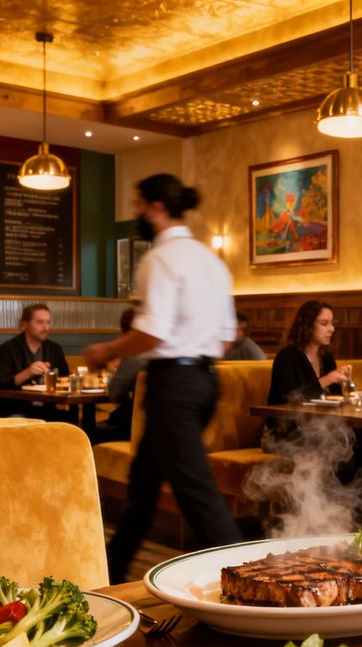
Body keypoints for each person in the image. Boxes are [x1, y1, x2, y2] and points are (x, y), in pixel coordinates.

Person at [85, 173, 242, 583]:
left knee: (197, 493)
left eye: (138, 205)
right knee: (142, 491)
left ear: (155, 207)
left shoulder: (160, 259)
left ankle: (249, 579)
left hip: (173, 387)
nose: (137, 213)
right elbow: (226, 340)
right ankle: (110, 572)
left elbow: (152, 331)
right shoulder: (211, 260)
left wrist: (107, 350)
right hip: (205, 382)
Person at [0, 303, 71, 421]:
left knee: (70, 421)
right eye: (40, 322)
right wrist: (27, 373)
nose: (46, 328)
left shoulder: (55, 349)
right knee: (18, 422)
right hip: (14, 408)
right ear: (25, 324)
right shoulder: (7, 349)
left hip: (47, 409)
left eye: (48, 322)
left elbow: (66, 379)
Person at [267, 301, 351, 405]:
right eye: (324, 323)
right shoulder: (287, 356)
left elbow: (335, 398)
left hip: (321, 419)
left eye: (332, 323)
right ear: (308, 326)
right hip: (288, 420)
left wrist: (345, 384)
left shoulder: (326, 357)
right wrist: (327, 380)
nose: (332, 329)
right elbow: (289, 400)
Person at [95, 307, 146, 443]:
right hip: (160, 428)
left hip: (135, 430)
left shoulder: (134, 354)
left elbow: (115, 393)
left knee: (90, 432)